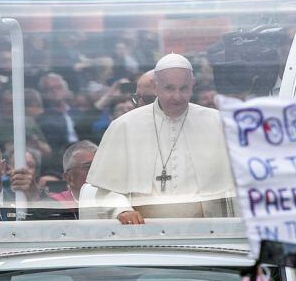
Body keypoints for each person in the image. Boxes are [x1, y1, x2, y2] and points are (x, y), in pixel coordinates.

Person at [85, 54, 235, 224]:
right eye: (169, 88)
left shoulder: (218, 123)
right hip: (145, 235)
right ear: (155, 87)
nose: (177, 97)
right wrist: (122, 210)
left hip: (208, 232)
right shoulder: (125, 126)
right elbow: (105, 190)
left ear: (193, 86)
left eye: (184, 88)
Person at [51, 141, 97, 205]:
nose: (97, 173)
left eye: (99, 167)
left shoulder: (113, 200)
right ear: (69, 178)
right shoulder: (56, 205)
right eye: (88, 167)